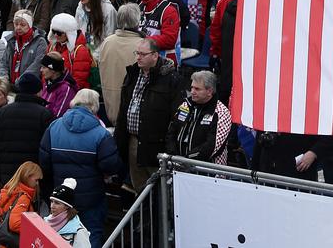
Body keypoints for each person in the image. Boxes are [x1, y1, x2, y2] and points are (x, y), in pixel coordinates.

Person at [39, 87, 121, 245]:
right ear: (94, 107)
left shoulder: (54, 127)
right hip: (91, 198)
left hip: (62, 197)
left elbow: (44, 162)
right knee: (90, 235)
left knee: (60, 237)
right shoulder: (101, 133)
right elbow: (110, 166)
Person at [115, 38, 181, 190]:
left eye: (143, 54)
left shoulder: (171, 78)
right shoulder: (132, 74)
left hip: (156, 145)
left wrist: (169, 146)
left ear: (155, 55)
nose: (138, 57)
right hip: (133, 141)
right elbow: (123, 108)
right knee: (138, 187)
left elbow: (176, 116)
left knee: (158, 189)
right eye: (137, 53)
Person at [0, 72, 53, 193]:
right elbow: (48, 151)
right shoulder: (44, 115)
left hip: (8, 179)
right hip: (34, 178)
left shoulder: (2, 113)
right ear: (38, 91)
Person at [165, 69, 232, 165]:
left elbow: (212, 146)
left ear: (209, 91)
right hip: (178, 164)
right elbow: (172, 131)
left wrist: (186, 159)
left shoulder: (221, 112)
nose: (192, 92)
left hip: (209, 170)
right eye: (192, 87)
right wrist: (173, 155)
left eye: (197, 89)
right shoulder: (186, 105)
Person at [0, 162, 41, 248]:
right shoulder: (24, 197)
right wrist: (34, 230)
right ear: (27, 177)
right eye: (36, 180)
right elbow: (15, 224)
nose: (37, 183)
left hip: (4, 242)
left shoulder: (9, 192)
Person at [43, 179, 91, 247]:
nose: (52, 206)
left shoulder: (78, 231)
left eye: (57, 203)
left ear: (67, 206)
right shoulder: (44, 221)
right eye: (52, 201)